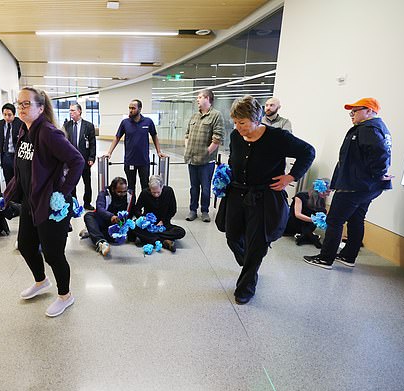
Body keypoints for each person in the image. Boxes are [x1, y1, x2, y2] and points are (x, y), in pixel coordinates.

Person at [220, 96, 315, 304]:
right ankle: (250, 265)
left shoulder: (278, 137)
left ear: (256, 119)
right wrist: (226, 173)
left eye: (242, 123)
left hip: (264, 198)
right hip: (237, 194)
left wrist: (291, 176)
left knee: (257, 244)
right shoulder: (236, 136)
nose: (238, 127)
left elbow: (308, 152)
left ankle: (246, 286)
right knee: (232, 237)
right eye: (235, 122)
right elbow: (233, 158)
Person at [4, 87, 84, 317]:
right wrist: (9, 193)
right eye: (19, 103)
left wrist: (62, 193)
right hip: (31, 202)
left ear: (40, 107)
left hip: (52, 205)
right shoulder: (23, 131)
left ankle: (65, 296)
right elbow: (23, 170)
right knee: (27, 246)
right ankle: (41, 281)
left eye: (26, 103)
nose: (21, 107)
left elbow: (77, 160)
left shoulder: (48, 132)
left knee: (53, 253)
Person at [304, 98, 392, 270]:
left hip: (355, 186)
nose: (351, 114)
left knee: (335, 220)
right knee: (356, 219)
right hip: (365, 186)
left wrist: (379, 173)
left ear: (369, 111)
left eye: (355, 111)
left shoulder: (369, 128)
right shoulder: (376, 128)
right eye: (350, 112)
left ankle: (325, 258)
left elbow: (380, 154)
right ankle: (348, 256)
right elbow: (352, 159)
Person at [105, 99, 166, 193]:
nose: (130, 110)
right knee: (130, 187)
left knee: (145, 185)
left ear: (140, 109)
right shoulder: (125, 122)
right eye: (129, 108)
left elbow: (154, 136)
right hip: (130, 160)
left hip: (144, 161)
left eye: (133, 108)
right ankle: (131, 207)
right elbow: (117, 138)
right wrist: (109, 152)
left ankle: (145, 207)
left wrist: (159, 151)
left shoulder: (148, 122)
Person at [184, 89, 225, 222]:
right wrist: (188, 147)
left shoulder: (216, 115)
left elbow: (217, 138)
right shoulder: (194, 116)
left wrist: (206, 152)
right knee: (193, 187)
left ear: (208, 98)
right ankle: (192, 210)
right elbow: (187, 134)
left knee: (205, 187)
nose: (197, 99)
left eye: (200, 97)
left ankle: (205, 211)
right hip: (192, 159)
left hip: (207, 161)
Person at [82, 177, 136, 257]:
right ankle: (101, 242)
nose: (122, 194)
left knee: (114, 239)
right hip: (105, 219)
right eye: (119, 192)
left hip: (119, 224)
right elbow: (100, 209)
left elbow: (132, 211)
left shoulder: (130, 195)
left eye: (124, 191)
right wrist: (112, 217)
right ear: (113, 189)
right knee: (88, 216)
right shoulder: (104, 194)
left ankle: (93, 231)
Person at [132, 175, 185, 252]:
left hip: (163, 223)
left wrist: (163, 221)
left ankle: (152, 238)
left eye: (158, 192)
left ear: (162, 187)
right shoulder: (145, 193)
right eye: (153, 192)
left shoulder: (168, 191)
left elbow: (172, 210)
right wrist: (143, 219)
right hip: (148, 224)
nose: (156, 195)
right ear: (149, 189)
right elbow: (137, 209)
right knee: (132, 227)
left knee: (180, 232)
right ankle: (164, 241)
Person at [63, 103, 97, 210]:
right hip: (70, 161)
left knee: (87, 182)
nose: (71, 113)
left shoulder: (89, 126)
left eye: (73, 110)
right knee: (71, 182)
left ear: (79, 111)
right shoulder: (66, 126)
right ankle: (73, 202)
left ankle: (87, 202)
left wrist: (91, 158)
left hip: (84, 160)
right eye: (70, 111)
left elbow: (92, 143)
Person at [284, 178, 330, 248]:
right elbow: (297, 214)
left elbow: (322, 214)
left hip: (309, 225)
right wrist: (314, 220)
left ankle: (306, 236)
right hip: (296, 222)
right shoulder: (300, 196)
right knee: (305, 228)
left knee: (307, 228)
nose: (328, 194)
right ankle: (310, 237)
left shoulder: (321, 200)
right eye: (327, 192)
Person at [0, 103, 22, 184]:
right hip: (5, 156)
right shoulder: (0, 124)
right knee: (8, 182)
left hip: (16, 156)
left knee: (19, 180)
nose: (7, 117)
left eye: (9, 115)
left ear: (14, 114)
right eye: (4, 114)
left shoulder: (20, 123)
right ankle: (10, 196)